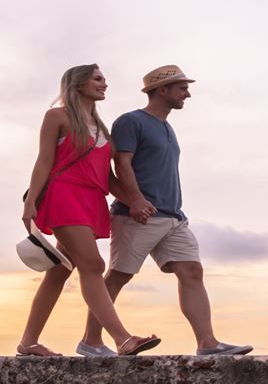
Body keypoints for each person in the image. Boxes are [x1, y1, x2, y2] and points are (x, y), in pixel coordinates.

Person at [75, 65, 253, 357]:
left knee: (192, 271)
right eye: (182, 88)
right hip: (138, 215)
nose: (188, 94)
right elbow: (121, 163)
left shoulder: (167, 127)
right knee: (119, 276)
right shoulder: (131, 121)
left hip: (173, 216)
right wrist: (135, 200)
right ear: (162, 89)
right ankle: (91, 341)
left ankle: (208, 344)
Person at [16, 65, 161, 357]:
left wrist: (134, 200)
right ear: (78, 83)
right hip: (65, 194)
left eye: (104, 79)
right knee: (92, 266)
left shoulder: (102, 127)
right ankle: (122, 338)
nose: (104, 84)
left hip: (92, 199)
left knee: (59, 271)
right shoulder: (57, 116)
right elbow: (44, 161)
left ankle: (28, 343)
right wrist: (31, 201)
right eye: (97, 79)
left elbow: (107, 176)